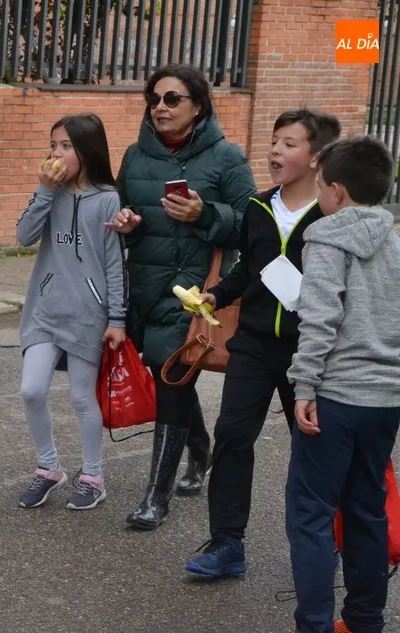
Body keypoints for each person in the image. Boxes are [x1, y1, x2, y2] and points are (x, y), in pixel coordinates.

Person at [185, 108, 342, 579]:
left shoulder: (333, 214)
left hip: (308, 350)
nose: (275, 151)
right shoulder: (258, 206)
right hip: (253, 342)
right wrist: (216, 295)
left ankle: (326, 542)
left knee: (313, 446)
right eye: (274, 141)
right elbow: (247, 269)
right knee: (232, 435)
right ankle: (227, 543)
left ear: (316, 158)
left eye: (289, 144)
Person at [106, 63, 256, 530]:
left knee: (172, 376)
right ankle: (199, 446)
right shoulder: (136, 156)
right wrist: (128, 223)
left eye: (172, 99)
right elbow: (125, 210)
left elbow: (251, 226)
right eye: (154, 99)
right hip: (145, 286)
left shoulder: (227, 157)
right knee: (166, 372)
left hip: (195, 292)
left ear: (198, 106)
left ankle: (157, 496)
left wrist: (204, 213)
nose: (160, 107)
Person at [285, 135, 400, 633]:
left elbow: (320, 318)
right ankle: (364, 620)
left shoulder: (326, 237)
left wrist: (303, 387)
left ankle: (312, 624)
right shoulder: (395, 241)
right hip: (386, 399)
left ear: (336, 191)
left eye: (319, 187)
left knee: (310, 514)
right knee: (366, 507)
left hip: (336, 395)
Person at [15, 113, 128, 512]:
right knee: (31, 390)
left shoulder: (108, 198)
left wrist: (117, 319)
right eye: (53, 145)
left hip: (87, 315)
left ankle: (93, 476)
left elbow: (114, 263)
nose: (57, 153)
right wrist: (45, 191)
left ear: (87, 150)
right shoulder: (49, 192)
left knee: (82, 397)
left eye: (66, 146)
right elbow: (24, 236)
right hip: (44, 310)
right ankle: (49, 468)